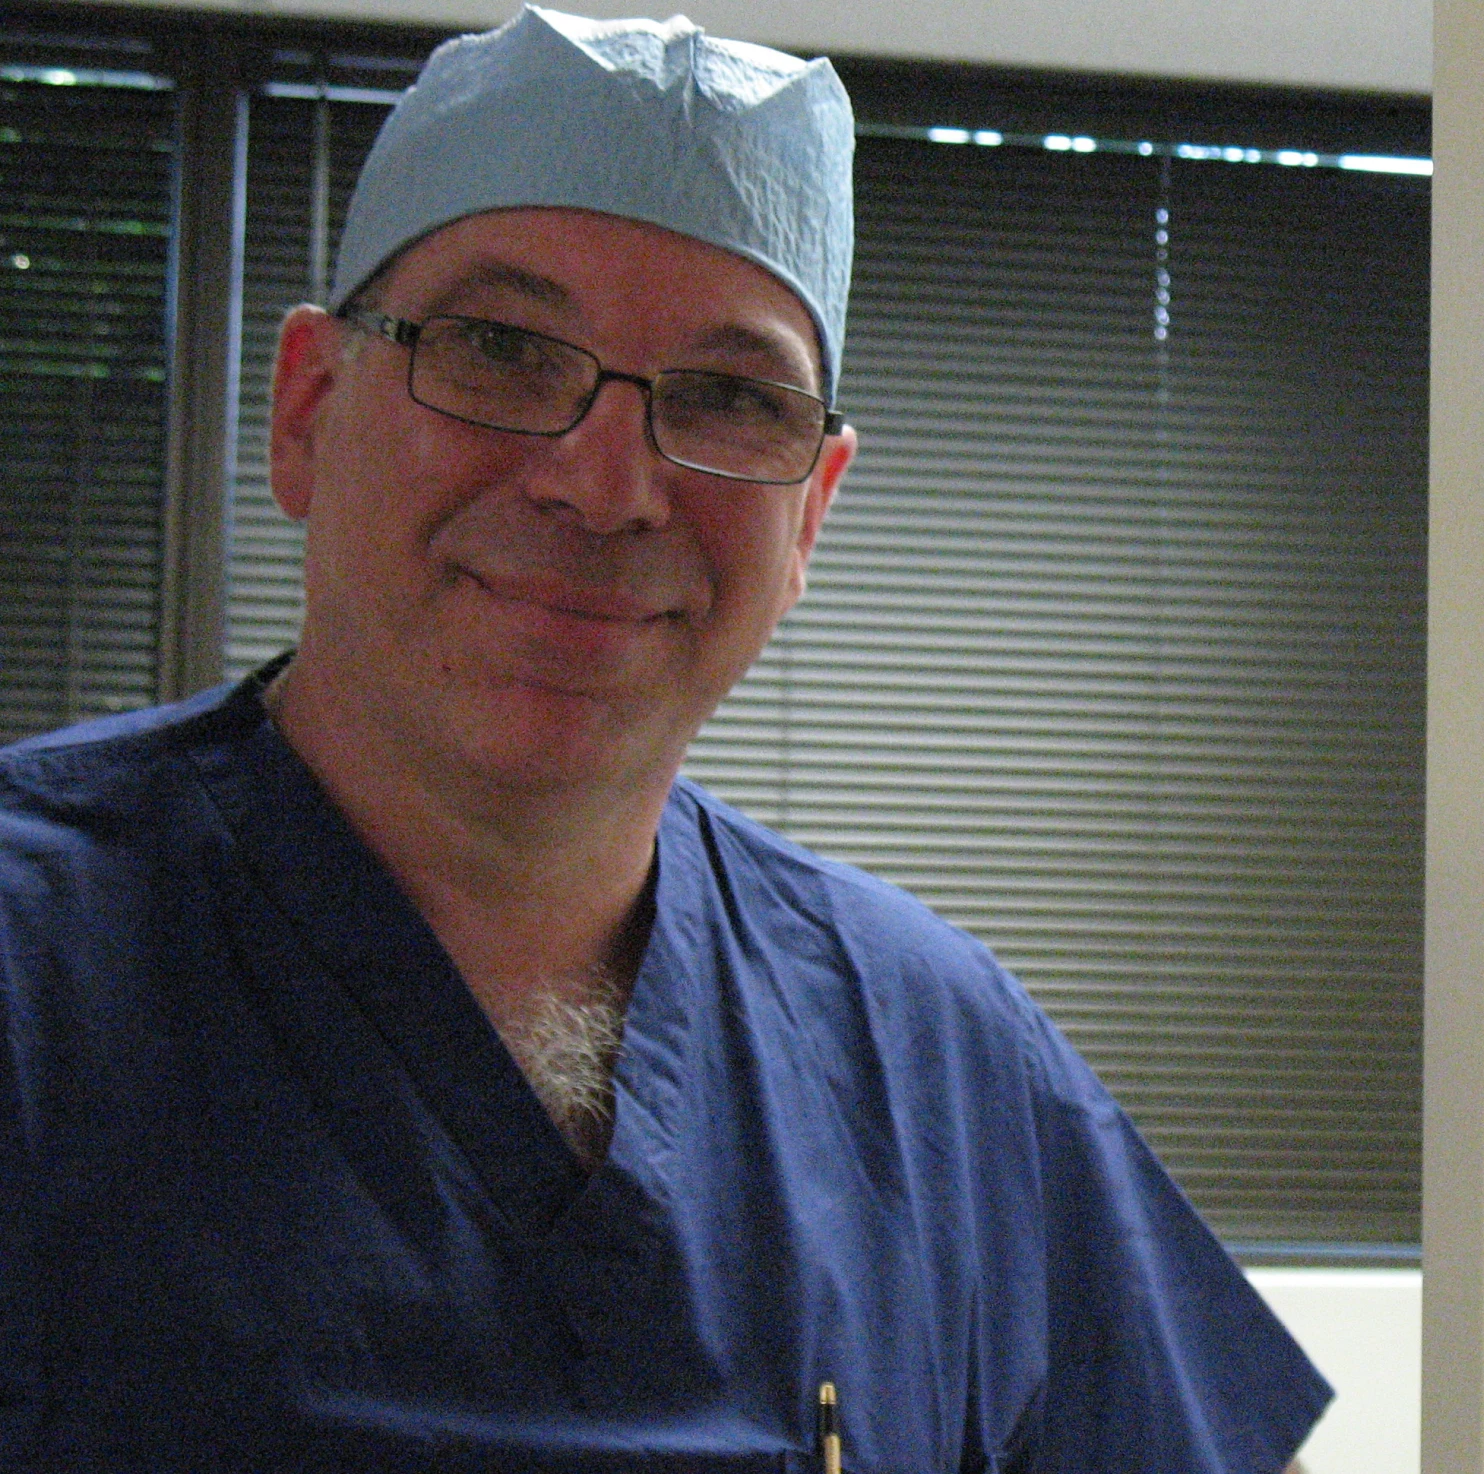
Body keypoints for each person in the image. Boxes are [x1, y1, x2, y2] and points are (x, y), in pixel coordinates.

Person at [0, 8, 1329, 1469]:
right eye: (502, 348)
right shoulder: (39, 961)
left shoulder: (937, 1062)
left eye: (730, 399)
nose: (605, 482)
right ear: (310, 408)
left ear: (813, 508)